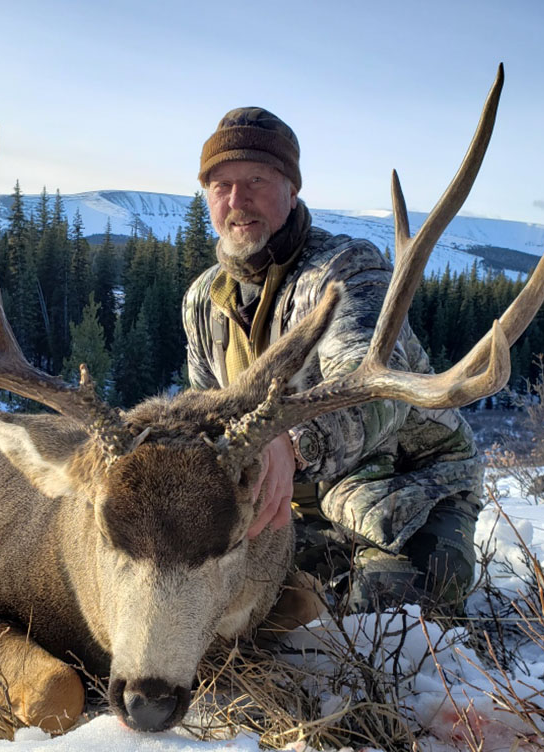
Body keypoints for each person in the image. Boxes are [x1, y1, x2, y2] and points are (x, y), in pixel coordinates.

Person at [183, 107, 483, 615]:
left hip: (405, 488)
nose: (237, 200)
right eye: (221, 185)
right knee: (225, 613)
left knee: (388, 633)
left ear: (292, 190)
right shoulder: (202, 301)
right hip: (287, 506)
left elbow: (371, 390)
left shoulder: (346, 270)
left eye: (256, 179)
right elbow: (202, 414)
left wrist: (289, 443)